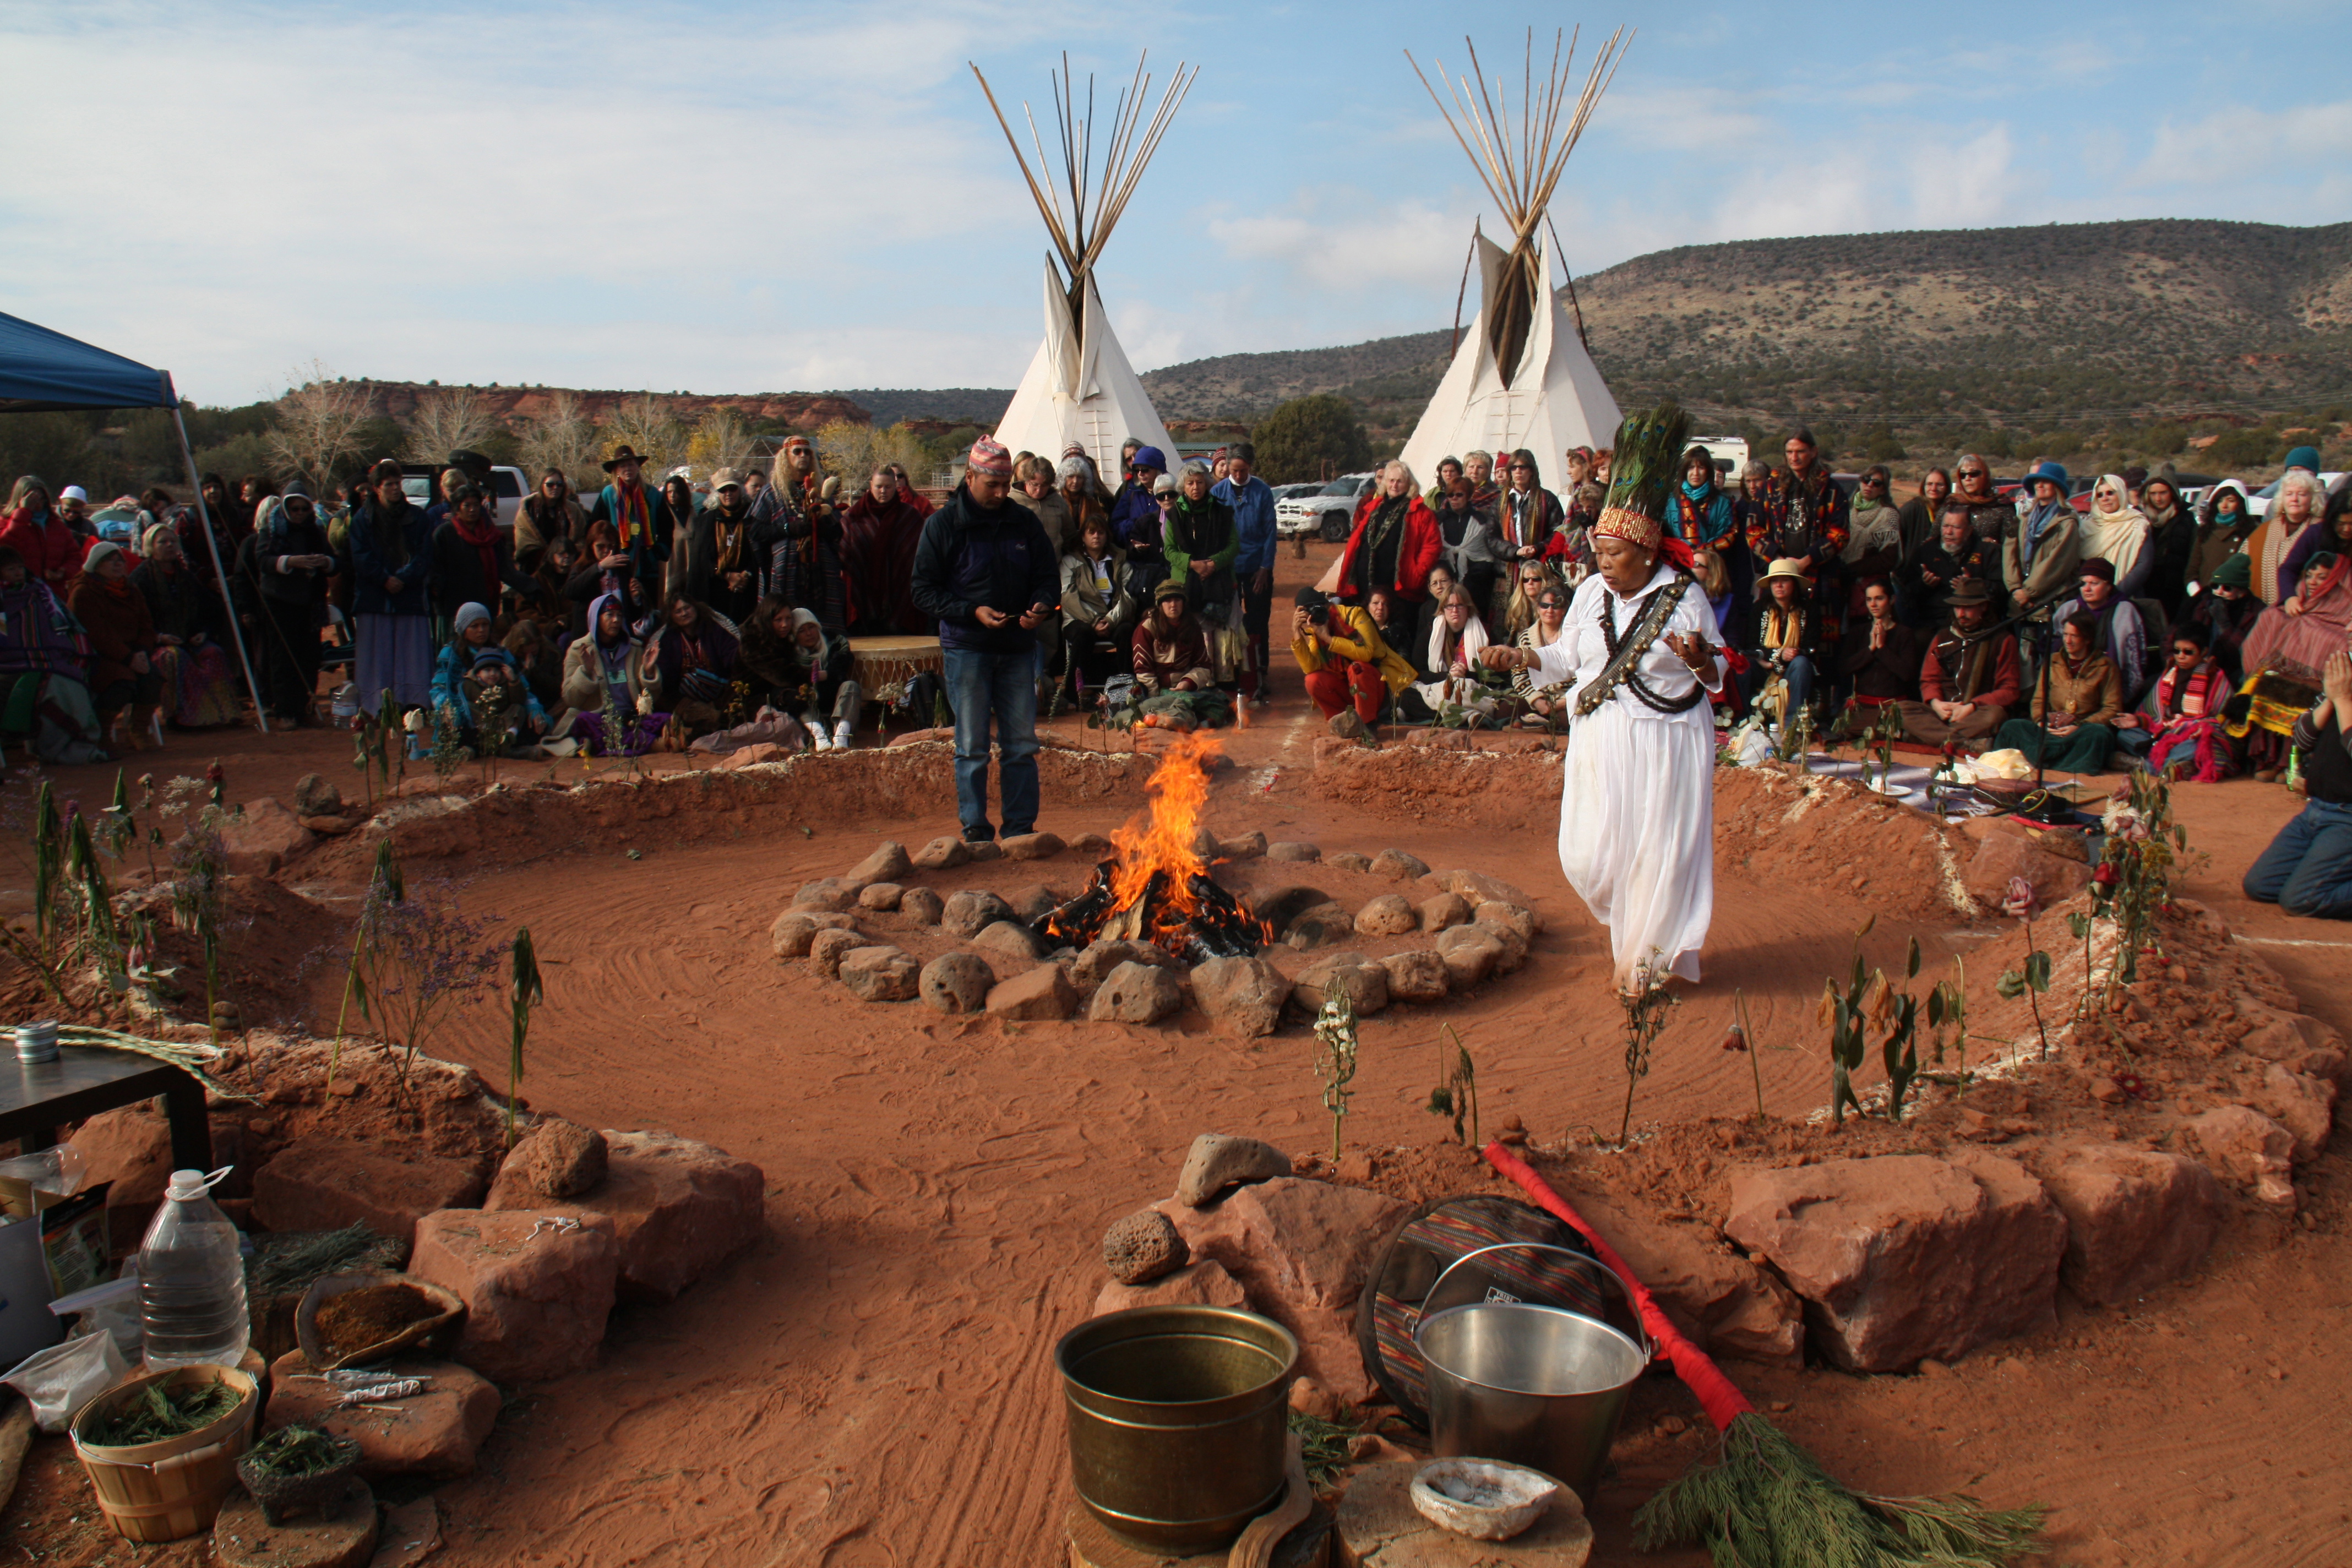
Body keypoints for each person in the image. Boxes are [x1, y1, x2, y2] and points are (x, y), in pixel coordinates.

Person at [1478, 489, 1726, 986]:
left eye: (1616, 554)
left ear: (1649, 553)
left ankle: (1646, 962)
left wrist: (1697, 657)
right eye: (1600, 553)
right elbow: (1568, 657)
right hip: (1599, 738)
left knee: (1656, 851)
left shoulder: (1684, 598)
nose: (1604, 564)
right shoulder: (1591, 591)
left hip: (1666, 741)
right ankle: (1637, 942)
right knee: (1590, 855)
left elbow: (1717, 668)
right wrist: (1522, 657)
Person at [910, 437, 1058, 842]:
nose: (999, 492)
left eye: (1004, 483)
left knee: (1022, 744)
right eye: (991, 484)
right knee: (973, 745)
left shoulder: (1023, 521)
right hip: (967, 648)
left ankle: (1020, 830)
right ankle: (976, 830)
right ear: (970, 476)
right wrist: (970, 611)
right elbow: (922, 590)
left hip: (1017, 648)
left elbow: (1048, 576)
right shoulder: (942, 525)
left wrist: (1041, 605)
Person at [2242, 642, 2352, 919]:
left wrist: (2343, 701)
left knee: (2300, 899)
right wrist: (2330, 697)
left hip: (2348, 819)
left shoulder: (2345, 693)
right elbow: (2301, 738)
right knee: (2261, 886)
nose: (2349, 630)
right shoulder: (2344, 679)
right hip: (2316, 810)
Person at [234, 489, 333, 726]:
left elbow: (335, 560)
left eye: (304, 509)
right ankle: (285, 712)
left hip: (310, 601)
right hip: (279, 601)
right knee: (282, 659)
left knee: (309, 656)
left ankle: (304, 708)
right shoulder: (271, 531)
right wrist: (290, 561)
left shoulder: (316, 531)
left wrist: (325, 562)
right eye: (294, 509)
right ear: (285, 510)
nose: (299, 514)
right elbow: (263, 561)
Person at [350, 459, 437, 715]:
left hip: (409, 597)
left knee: (411, 652)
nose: (396, 489)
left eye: (398, 483)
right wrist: (384, 579)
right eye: (389, 484)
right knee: (377, 655)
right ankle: (377, 705)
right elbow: (360, 556)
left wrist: (404, 578)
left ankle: (413, 702)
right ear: (377, 488)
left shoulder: (418, 517)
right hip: (374, 597)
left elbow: (424, 555)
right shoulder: (362, 519)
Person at [1895, 581, 2021, 748]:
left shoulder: (2002, 640)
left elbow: (2009, 690)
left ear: (1983, 607)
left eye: (1968, 608)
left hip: (1975, 713)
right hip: (1942, 713)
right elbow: (1929, 679)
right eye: (1958, 607)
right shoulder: (1943, 637)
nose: (1961, 614)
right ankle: (1965, 744)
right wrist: (1936, 703)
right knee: (1899, 710)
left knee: (1995, 716)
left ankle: (1926, 737)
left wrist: (1972, 706)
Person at [1993, 614, 2124, 774]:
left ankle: (2047, 763)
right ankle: (2053, 761)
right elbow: (2038, 700)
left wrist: (2078, 726)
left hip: (2079, 732)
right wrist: (2042, 722)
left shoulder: (2105, 667)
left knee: (2099, 735)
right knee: (2012, 727)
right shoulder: (2053, 662)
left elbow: (2112, 708)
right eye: (2066, 635)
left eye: (2074, 636)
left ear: (2088, 639)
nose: (2068, 641)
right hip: (2050, 729)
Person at [67, 541, 164, 752]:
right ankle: (102, 734)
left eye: (119, 560)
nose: (117, 564)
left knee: (153, 678)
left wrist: (141, 652)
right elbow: (96, 634)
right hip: (98, 656)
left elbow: (146, 626)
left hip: (133, 653)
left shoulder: (130, 589)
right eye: (110, 561)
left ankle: (138, 731)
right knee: (120, 683)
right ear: (96, 564)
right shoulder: (84, 591)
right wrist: (129, 658)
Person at [1743, 432, 1849, 605]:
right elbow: (1752, 530)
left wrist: (1807, 561)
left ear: (1814, 452)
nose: (1794, 457)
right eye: (1789, 452)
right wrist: (1779, 560)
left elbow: (1840, 534)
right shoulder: (1770, 488)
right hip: (1778, 574)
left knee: (1817, 629)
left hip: (1820, 576)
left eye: (1800, 451)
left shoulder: (1831, 489)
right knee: (1777, 629)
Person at [750, 438, 847, 630]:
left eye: (807, 452)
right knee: (784, 625)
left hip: (821, 569)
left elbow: (838, 532)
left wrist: (821, 526)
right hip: (784, 568)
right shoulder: (772, 491)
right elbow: (755, 531)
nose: (803, 455)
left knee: (823, 627)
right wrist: (787, 530)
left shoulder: (821, 491)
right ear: (785, 457)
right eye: (797, 451)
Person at [1291, 585, 1411, 737]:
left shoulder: (1355, 615)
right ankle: (1341, 722)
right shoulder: (1316, 628)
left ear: (1329, 605)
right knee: (1313, 680)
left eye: (1321, 609)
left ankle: (1367, 724)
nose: (1318, 614)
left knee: (1358, 668)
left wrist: (1329, 638)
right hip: (1350, 690)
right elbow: (1310, 668)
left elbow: (1365, 654)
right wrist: (1297, 633)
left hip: (1378, 688)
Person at [1164, 460, 1242, 685]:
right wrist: (1193, 564)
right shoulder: (1174, 515)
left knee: (1223, 635)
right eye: (1190, 483)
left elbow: (1234, 545)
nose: (1195, 487)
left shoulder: (1222, 511)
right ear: (1183, 486)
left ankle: (1226, 684)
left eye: (1199, 482)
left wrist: (1213, 564)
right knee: (1195, 635)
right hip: (1187, 585)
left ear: (1207, 484)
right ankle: (1197, 683)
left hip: (1220, 582)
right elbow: (1169, 551)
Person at [431, 605, 545, 756]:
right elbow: (439, 689)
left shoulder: (500, 652)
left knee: (530, 722)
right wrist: (448, 709)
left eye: (485, 625)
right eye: (475, 626)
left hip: (502, 714)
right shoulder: (451, 653)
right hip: (470, 716)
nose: (481, 630)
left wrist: (534, 710)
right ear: (463, 629)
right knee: (459, 727)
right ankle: (507, 750)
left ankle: (495, 747)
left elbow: (523, 688)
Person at [1212, 442, 1277, 706]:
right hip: (1228, 569)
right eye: (1234, 470)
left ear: (1250, 467)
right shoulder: (1217, 492)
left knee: (1258, 623)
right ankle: (1233, 674)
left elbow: (1271, 532)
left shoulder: (1262, 492)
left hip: (1256, 568)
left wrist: (1265, 568)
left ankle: (1261, 674)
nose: (1238, 475)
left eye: (1243, 470)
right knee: (1228, 622)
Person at [558, 592, 660, 755]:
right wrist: (586, 671)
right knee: (584, 720)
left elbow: (651, 699)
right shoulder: (578, 650)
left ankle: (602, 744)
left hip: (630, 719)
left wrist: (648, 673)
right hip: (600, 718)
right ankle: (653, 744)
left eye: (620, 615)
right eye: (610, 615)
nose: (616, 620)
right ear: (596, 618)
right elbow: (570, 698)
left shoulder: (634, 649)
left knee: (665, 719)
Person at [427, 484, 532, 639]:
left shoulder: (490, 536)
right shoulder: (444, 534)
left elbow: (505, 569)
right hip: (452, 607)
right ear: (457, 508)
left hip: (483, 605)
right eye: (467, 506)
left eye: (476, 505)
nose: (472, 510)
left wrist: (532, 586)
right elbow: (435, 570)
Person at [1056, 511, 1135, 702]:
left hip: (1114, 618)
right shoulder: (1070, 562)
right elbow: (1068, 597)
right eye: (1091, 532)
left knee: (1127, 631)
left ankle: (1125, 692)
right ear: (1083, 536)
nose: (1096, 537)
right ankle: (1075, 695)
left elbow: (1129, 596)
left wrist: (1109, 619)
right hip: (1080, 619)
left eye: (1101, 532)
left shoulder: (1120, 560)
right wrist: (1093, 620)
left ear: (1107, 535)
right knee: (1082, 634)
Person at [1336, 461, 1440, 605]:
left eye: (1400, 481)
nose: (1394, 485)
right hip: (1365, 583)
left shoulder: (1420, 512)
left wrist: (1418, 572)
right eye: (1391, 480)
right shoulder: (1375, 507)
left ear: (1409, 484)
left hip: (1399, 585)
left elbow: (1432, 546)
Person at [2141, 627, 2236, 782]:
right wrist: (2138, 721)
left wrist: (2201, 729)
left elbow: (2223, 718)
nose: (2181, 656)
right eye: (2177, 651)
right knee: (2127, 735)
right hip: (2167, 729)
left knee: (2202, 743)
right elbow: (2156, 712)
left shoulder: (2215, 675)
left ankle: (2150, 764)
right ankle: (2176, 764)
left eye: (2188, 652)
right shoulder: (2169, 673)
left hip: (2193, 733)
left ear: (2204, 652)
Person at [2052, 557, 2152, 704]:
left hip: (2111, 689)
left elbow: (2135, 660)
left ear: (2109, 586)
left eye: (2094, 583)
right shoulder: (2068, 609)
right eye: (2083, 583)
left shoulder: (2125, 611)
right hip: (2068, 686)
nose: (2087, 589)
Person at [586, 445, 671, 612]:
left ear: (638, 467)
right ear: (616, 471)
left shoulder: (652, 494)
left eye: (631, 464)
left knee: (648, 611)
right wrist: (602, 556)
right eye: (623, 466)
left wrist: (660, 550)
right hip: (617, 564)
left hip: (648, 564)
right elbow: (593, 528)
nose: (627, 469)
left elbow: (667, 527)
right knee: (619, 609)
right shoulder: (608, 495)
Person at [1397, 583, 1495, 726]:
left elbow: (1492, 678)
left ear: (1468, 608)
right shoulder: (1430, 634)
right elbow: (1419, 673)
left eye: (1460, 605)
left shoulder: (1484, 634)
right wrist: (1448, 677)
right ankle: (1469, 715)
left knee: (1480, 695)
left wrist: (1465, 675)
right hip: (1438, 689)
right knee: (1406, 695)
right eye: (1449, 606)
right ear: (1443, 609)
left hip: (1470, 689)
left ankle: (1454, 715)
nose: (1455, 610)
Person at [683, 469, 763, 628]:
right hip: (715, 589)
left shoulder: (752, 517)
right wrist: (727, 576)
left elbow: (759, 552)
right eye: (723, 490)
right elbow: (701, 559)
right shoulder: (705, 521)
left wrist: (745, 575)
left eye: (732, 489)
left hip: (745, 587)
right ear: (716, 493)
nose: (728, 493)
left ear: (740, 490)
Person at [781, 607, 863, 750]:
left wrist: (825, 675)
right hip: (811, 715)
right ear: (795, 635)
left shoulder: (834, 644)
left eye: (811, 627)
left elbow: (841, 665)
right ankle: (819, 735)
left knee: (851, 685)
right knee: (795, 695)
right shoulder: (790, 655)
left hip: (837, 708)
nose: (809, 633)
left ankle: (841, 736)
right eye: (802, 630)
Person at [2006, 460, 2082, 612]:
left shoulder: (2066, 522)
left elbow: (2059, 562)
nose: (2040, 485)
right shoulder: (2023, 519)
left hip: (2050, 601)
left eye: (2046, 482)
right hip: (2020, 602)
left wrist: (2029, 592)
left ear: (2057, 486)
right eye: (2037, 482)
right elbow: (2009, 554)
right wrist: (2015, 588)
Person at [1840, 579, 1925, 711]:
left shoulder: (1904, 633)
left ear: (1892, 600)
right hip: (1862, 704)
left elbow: (1907, 674)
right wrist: (1870, 649)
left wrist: (1882, 648)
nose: (1873, 604)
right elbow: (1844, 668)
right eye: (1869, 600)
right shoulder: (1858, 632)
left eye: (1879, 598)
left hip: (1895, 705)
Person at [1901, 508, 1996, 627]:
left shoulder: (1987, 552)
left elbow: (2001, 590)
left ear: (1969, 530)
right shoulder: (1926, 551)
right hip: (1932, 622)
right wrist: (1924, 584)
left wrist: (1973, 586)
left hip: (1977, 624)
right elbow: (1907, 591)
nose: (1949, 532)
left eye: (1956, 527)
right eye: (1945, 526)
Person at [1, 477, 92, 590]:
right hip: (16, 594)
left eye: (41, 499)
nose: (37, 504)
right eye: (32, 500)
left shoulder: (56, 526)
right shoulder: (6, 523)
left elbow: (75, 556)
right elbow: (5, 546)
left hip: (52, 594)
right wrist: (23, 514)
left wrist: (64, 571)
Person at [2183, 553, 2258, 683]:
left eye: (2227, 588)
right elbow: (2179, 633)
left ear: (2241, 590)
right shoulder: (2206, 600)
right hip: (2198, 665)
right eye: (2215, 586)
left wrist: (2224, 624)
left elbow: (2246, 651)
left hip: (2232, 672)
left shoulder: (2256, 611)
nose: (2218, 592)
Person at [2273, 470, 2345, 605]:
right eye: (2289, 494)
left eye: (2302, 494)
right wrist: (2289, 597)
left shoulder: (2317, 530)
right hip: (2299, 604)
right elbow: (2288, 569)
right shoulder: (2263, 531)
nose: (2295, 499)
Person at [1132, 581, 1216, 695]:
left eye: (1177, 600)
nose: (1173, 605)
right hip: (1155, 691)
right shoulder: (1147, 628)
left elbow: (1203, 666)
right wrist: (1154, 699)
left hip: (1186, 690)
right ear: (1160, 605)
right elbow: (1143, 670)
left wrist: (1188, 683)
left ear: (1183, 603)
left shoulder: (1192, 627)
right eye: (1167, 601)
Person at [2079, 473, 2153, 600]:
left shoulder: (2138, 524)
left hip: (2125, 598)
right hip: (2090, 601)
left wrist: (2115, 594)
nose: (2105, 498)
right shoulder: (2086, 528)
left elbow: (2143, 565)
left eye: (2110, 493)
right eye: (2100, 495)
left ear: (2121, 494)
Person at [1512, 580, 1576, 727]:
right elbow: (1519, 675)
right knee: (1507, 709)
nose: (1550, 611)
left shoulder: (1574, 637)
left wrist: (1561, 703)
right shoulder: (1526, 637)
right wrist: (1536, 700)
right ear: (1538, 609)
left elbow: (1581, 675)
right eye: (1545, 606)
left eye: (1556, 606)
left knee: (1567, 719)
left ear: (1565, 610)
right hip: (1538, 698)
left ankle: (1542, 724)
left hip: (1566, 699)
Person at [1112, 445, 1169, 597]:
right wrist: (1137, 528)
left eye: (1145, 470)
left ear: (1157, 469)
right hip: (1138, 566)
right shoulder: (1131, 494)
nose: (1140, 474)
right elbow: (1116, 525)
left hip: (1167, 564)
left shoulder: (1172, 492)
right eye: (1137, 470)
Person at [2138, 471, 2197, 615]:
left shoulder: (2186, 519)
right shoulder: (2139, 518)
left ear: (2172, 492)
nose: (2158, 499)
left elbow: (2193, 554)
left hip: (2175, 590)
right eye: (2153, 494)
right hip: (2144, 587)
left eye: (2163, 493)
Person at [2187, 479, 2258, 594]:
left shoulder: (2251, 533)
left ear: (2240, 503)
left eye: (2231, 500)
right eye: (2220, 501)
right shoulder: (2206, 531)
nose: (2224, 506)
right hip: (2207, 598)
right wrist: (2197, 593)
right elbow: (2191, 572)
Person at [1495, 450, 1566, 562]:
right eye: (1514, 468)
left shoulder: (1547, 499)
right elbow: (1492, 537)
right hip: (1506, 568)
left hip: (1539, 565)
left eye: (1523, 467)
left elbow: (1558, 532)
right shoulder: (1501, 501)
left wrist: (1537, 548)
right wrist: (1515, 551)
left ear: (1532, 470)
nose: (1518, 471)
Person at [515, 470, 585, 574]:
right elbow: (524, 543)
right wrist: (549, 557)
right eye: (550, 484)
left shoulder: (573, 510)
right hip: (536, 566)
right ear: (542, 485)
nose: (555, 488)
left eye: (559, 484)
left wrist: (567, 552)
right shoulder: (528, 509)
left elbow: (582, 537)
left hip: (567, 564)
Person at [1496, 557, 1558, 643]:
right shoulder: (1516, 608)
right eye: (1526, 580)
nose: (1530, 583)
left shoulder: (1553, 607)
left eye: (1535, 579)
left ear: (1544, 580)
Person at [1896, 467, 1950, 559]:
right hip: (1911, 569)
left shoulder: (1951, 510)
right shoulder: (1910, 509)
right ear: (1923, 486)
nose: (1934, 488)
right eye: (1930, 484)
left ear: (1947, 487)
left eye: (1939, 485)